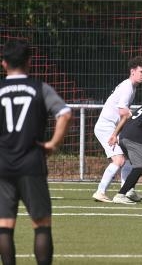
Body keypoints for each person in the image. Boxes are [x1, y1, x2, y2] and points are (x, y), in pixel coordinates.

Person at [0, 39, 73, 264]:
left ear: (3, 64)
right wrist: (52, 144)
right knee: (41, 224)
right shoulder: (39, 88)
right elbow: (65, 113)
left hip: (2, 163)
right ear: (29, 62)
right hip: (32, 162)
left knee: (4, 224)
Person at [92, 56, 142, 202]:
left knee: (127, 160)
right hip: (106, 127)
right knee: (118, 160)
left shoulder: (131, 87)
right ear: (132, 71)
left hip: (112, 127)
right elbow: (123, 113)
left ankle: (127, 191)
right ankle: (100, 192)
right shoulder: (127, 88)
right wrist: (114, 134)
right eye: (141, 71)